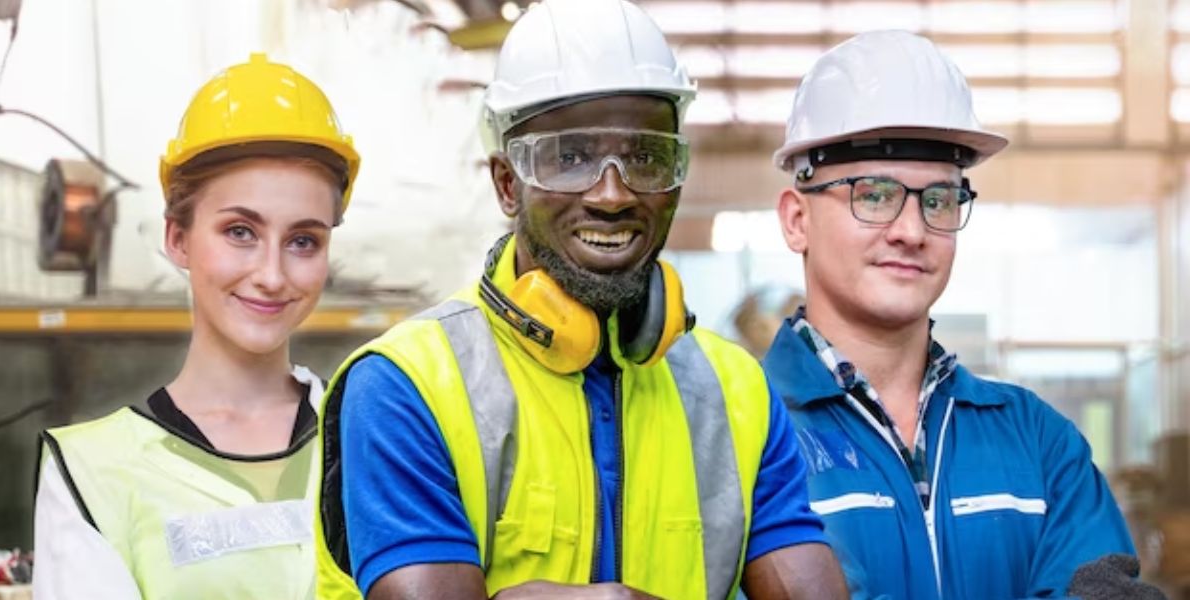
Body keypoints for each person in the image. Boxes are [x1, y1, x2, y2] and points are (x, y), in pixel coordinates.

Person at [313, 1, 847, 598]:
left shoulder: (736, 393)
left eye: (645, 157)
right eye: (570, 158)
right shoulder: (406, 386)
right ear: (507, 184)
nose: (612, 194)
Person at [763, 30, 1140, 599]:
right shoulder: (743, 432)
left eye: (938, 200)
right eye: (873, 194)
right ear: (797, 220)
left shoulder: (1039, 442)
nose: (912, 231)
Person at [32, 53, 359, 599]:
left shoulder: (373, 439)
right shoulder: (90, 474)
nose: (272, 275)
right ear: (177, 238)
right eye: (239, 232)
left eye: (303, 240)